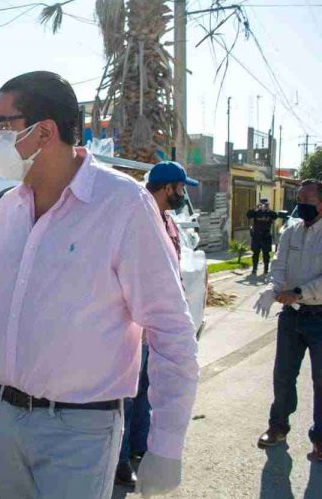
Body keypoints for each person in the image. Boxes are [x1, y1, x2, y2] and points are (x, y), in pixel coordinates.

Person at [0, 71, 199, 498]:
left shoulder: (121, 204)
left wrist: (166, 445)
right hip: (8, 419)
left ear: (44, 131)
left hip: (81, 430)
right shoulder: (8, 208)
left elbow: (171, 331)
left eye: (2, 124)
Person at [111, 161, 200, 486]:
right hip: (136, 328)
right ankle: (119, 463)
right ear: (168, 188)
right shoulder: (137, 218)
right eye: (181, 188)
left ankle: (139, 450)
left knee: (146, 394)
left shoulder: (167, 220)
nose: (183, 194)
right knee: (128, 399)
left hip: (157, 330)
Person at [254, 179, 322, 461]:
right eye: (298, 198)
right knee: (283, 376)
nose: (300, 203)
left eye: (306, 198)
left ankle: (320, 440)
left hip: (319, 317)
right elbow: (279, 266)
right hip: (291, 319)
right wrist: (272, 288)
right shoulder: (290, 231)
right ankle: (278, 427)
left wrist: (298, 293)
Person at [247, 198, 278, 276]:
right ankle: (254, 269)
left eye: (265, 204)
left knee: (266, 254)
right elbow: (248, 215)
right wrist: (256, 208)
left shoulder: (270, 213)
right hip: (257, 235)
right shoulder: (256, 212)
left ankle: (266, 270)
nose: (264, 206)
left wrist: (269, 209)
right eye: (262, 204)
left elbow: (275, 216)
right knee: (255, 253)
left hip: (266, 235)